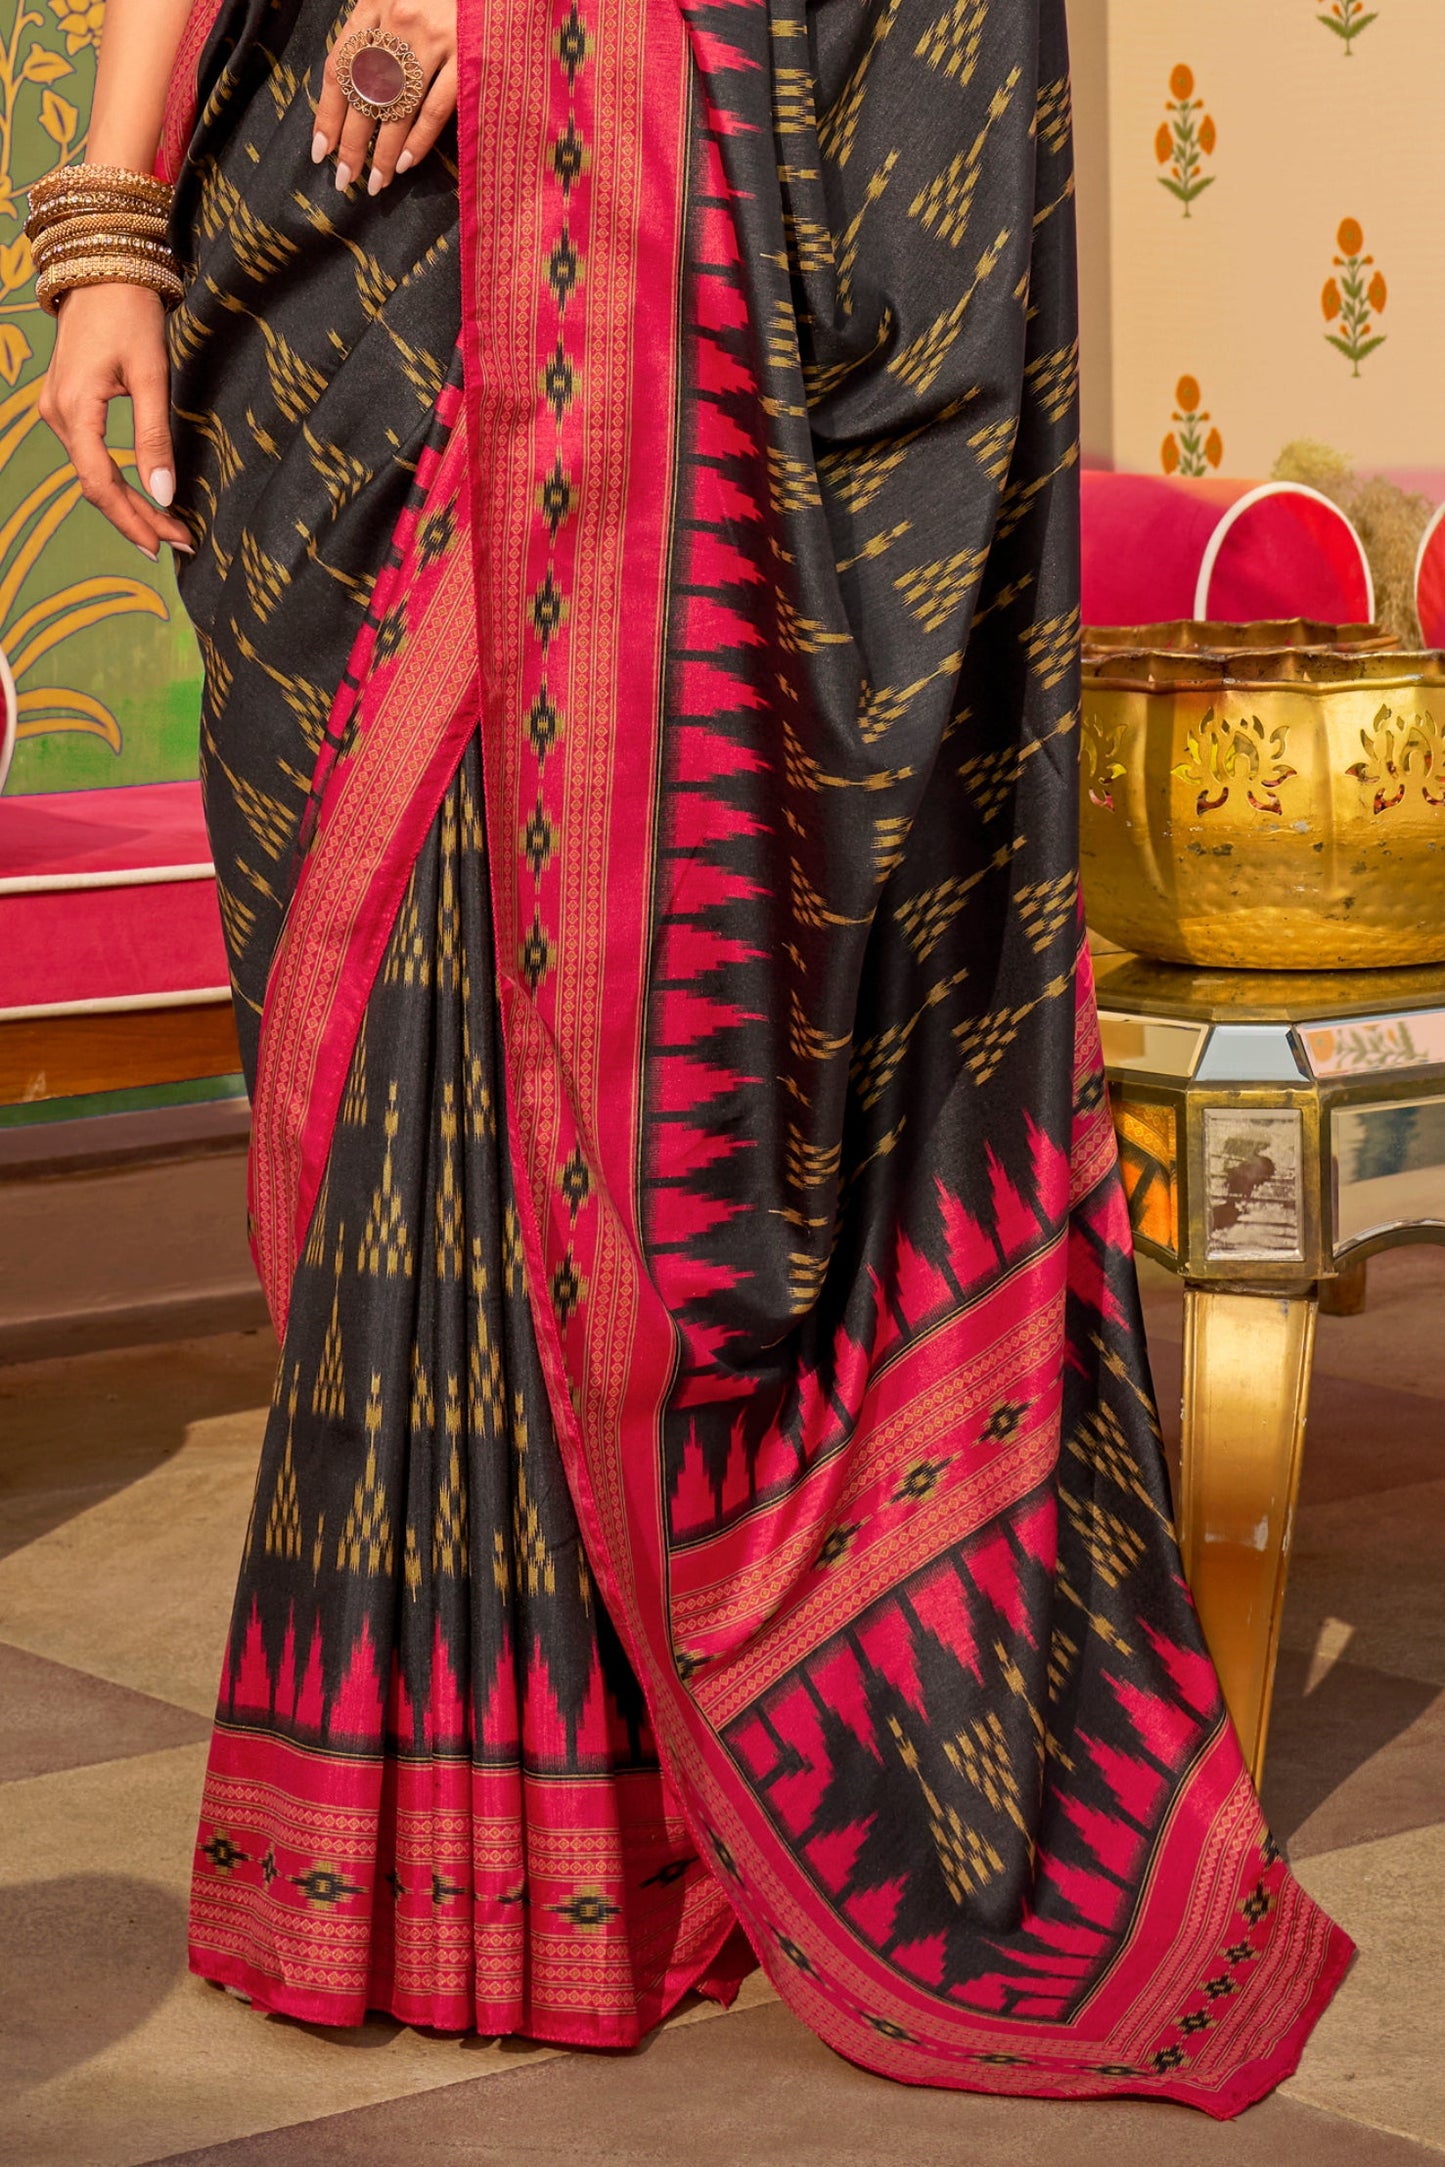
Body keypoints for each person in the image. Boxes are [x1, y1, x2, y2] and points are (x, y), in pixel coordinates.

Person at [35, 0, 1351, 2114]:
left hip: (683, 208)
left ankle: (627, 1832)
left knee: (579, 962)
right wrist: (109, 225)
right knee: (387, 1024)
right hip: (335, 240)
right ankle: (430, 1830)